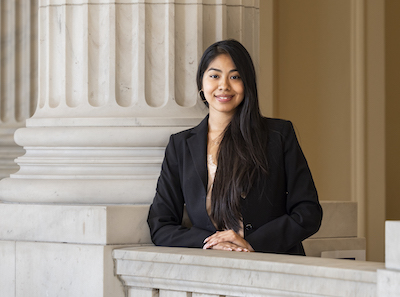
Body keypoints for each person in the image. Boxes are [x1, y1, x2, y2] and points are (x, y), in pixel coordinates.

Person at [147, 39, 322, 255]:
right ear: (201, 83)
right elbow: (161, 225)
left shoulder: (278, 135)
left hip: (272, 264)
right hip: (212, 268)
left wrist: (252, 242)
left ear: (247, 84)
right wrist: (211, 241)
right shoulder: (180, 146)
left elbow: (308, 212)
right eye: (214, 75)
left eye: (235, 76)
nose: (224, 85)